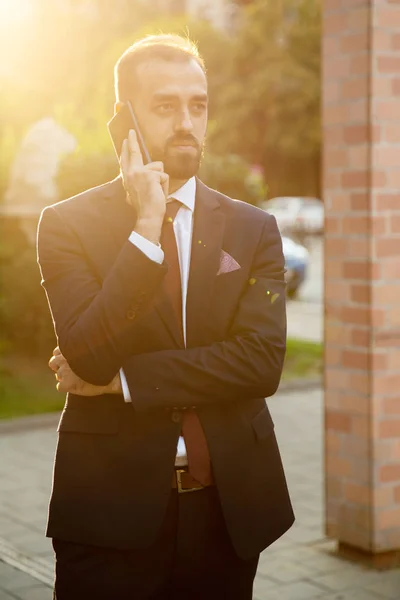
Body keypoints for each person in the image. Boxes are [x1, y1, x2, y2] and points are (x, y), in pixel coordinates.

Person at [37, 33, 294, 600]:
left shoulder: (254, 229)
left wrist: (126, 382)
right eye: (164, 105)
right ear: (124, 118)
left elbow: (261, 363)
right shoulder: (66, 225)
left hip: (228, 509)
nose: (187, 122)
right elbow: (87, 354)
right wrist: (146, 228)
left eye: (197, 105)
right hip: (109, 512)